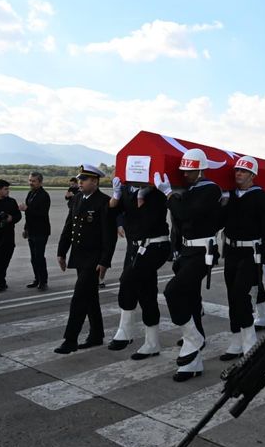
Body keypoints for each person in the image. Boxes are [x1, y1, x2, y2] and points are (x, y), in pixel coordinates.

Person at [154, 149, 221, 382]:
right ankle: (193, 364)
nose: (185, 175)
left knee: (173, 291)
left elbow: (184, 213)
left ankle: (194, 339)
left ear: (201, 170)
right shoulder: (191, 190)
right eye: (184, 171)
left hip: (202, 252)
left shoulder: (210, 189)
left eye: (190, 172)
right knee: (191, 300)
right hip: (186, 251)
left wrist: (169, 194)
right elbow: (178, 224)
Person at [54, 165, 117, 354]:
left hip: (93, 259)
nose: (79, 182)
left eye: (84, 179)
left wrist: (105, 261)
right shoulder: (77, 199)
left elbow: (109, 235)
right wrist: (61, 252)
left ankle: (70, 339)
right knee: (90, 297)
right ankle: (97, 334)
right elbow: (69, 226)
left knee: (79, 297)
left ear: (95, 182)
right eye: (79, 179)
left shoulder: (104, 202)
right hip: (78, 256)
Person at [218, 156, 265, 361]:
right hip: (232, 252)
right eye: (237, 171)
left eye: (243, 171)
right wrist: (222, 204)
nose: (238, 174)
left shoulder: (260, 198)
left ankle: (250, 342)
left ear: (252, 175)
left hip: (251, 254)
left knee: (240, 295)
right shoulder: (231, 196)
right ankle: (236, 341)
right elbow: (219, 222)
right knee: (231, 297)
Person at [107, 176, 171, 358]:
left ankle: (125, 331)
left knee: (127, 281)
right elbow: (114, 212)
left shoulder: (157, 191)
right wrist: (117, 195)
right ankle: (152, 343)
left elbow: (156, 213)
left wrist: (158, 190)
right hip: (134, 247)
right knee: (146, 292)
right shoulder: (127, 190)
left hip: (155, 246)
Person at [0, 179, 22, 293]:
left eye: (8, 189)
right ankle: (0, 282)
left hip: (8, 236)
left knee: (5, 260)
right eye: (5, 189)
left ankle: (0, 280)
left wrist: (11, 218)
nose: (8, 191)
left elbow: (18, 215)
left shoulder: (11, 202)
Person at [20, 172, 51, 291]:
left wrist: (28, 209)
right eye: (30, 180)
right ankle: (37, 278)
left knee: (39, 256)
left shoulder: (44, 195)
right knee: (33, 257)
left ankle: (43, 281)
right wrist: (25, 228)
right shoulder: (30, 193)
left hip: (41, 231)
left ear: (40, 182)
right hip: (32, 230)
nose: (30, 183)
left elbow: (42, 214)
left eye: (33, 181)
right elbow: (29, 216)